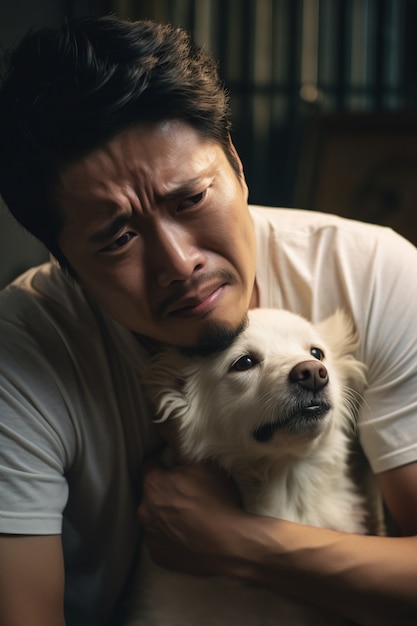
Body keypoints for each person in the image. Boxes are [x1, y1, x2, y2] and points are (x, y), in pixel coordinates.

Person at [0, 15, 416, 626]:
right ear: (64, 262)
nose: (179, 264)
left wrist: (238, 543)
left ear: (239, 171)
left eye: (190, 199)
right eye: (117, 238)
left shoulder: (374, 272)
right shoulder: (20, 351)